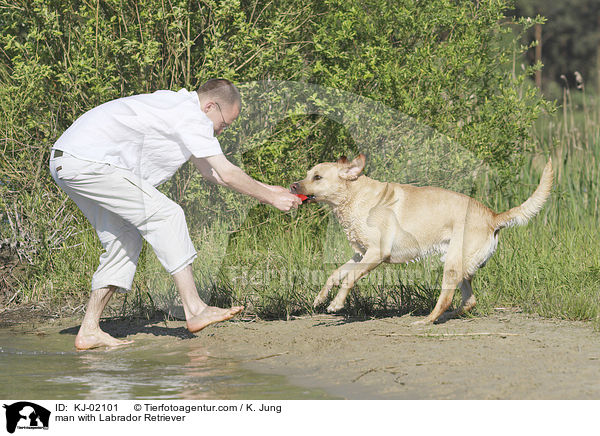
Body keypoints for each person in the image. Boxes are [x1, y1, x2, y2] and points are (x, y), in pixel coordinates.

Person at [49, 78, 302, 350]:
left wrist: (268, 189)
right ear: (210, 107)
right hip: (87, 162)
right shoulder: (191, 116)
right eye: (224, 124)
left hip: (69, 162)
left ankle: (89, 330)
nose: (221, 130)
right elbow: (227, 173)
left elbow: (212, 172)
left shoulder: (179, 109)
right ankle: (194, 309)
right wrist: (272, 198)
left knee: (126, 239)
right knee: (167, 215)